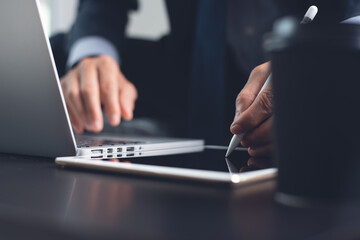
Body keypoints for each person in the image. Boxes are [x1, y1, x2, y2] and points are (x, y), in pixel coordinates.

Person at [52, 0, 359, 158]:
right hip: (195, 64)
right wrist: (92, 54)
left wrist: (327, 69)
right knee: (55, 52)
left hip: (325, 48)